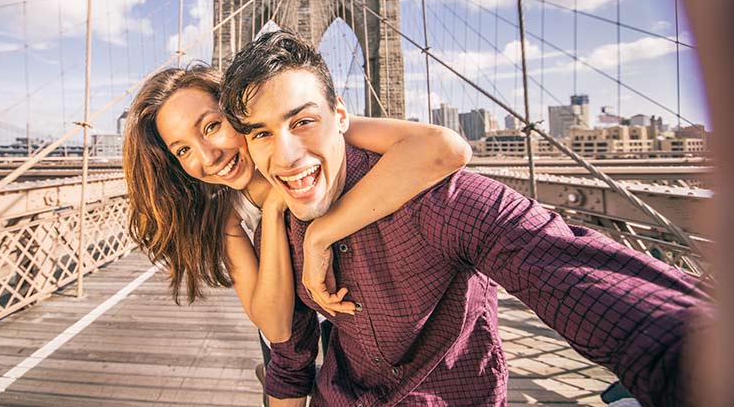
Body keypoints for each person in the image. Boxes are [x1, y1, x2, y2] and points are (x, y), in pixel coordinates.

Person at [218, 29, 715, 407]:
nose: (284, 157)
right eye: (260, 133)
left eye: (303, 121)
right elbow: (290, 354)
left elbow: (577, 275)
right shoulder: (278, 224)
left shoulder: (439, 200)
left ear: (341, 116)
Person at [121, 65, 471, 374]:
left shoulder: (316, 133)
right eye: (183, 150)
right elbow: (275, 327)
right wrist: (272, 211)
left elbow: (446, 148)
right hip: (291, 356)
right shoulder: (226, 215)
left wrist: (319, 235)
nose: (208, 157)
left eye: (212, 126)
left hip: (378, 333)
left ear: (239, 111)